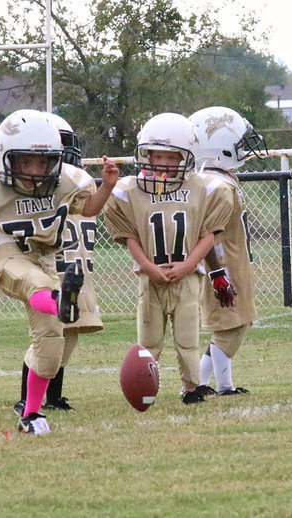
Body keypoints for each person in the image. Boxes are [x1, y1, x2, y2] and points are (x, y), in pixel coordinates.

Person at [0, 109, 119, 434]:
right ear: (7, 159)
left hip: (48, 255)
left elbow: (88, 209)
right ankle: (60, 299)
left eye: (43, 162)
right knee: (34, 284)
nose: (35, 170)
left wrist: (107, 186)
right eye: (26, 162)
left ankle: (30, 415)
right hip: (9, 252)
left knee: (50, 347)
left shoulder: (66, 182)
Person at [103, 112, 233, 404]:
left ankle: (192, 388)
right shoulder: (129, 190)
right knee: (148, 342)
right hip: (150, 280)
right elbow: (128, 236)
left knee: (188, 340)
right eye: (155, 156)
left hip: (187, 278)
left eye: (170, 157)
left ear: (186, 156)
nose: (161, 163)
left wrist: (188, 265)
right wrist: (147, 267)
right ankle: (144, 389)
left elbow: (208, 234)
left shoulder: (205, 188)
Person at [12, 112, 104, 416]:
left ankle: (54, 396)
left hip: (78, 272)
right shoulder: (33, 196)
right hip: (50, 274)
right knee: (47, 339)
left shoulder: (77, 186)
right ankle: (28, 398)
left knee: (71, 335)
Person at [188, 106, 266, 396]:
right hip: (222, 261)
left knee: (234, 323)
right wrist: (218, 272)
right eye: (238, 142)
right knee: (231, 325)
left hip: (227, 259)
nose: (245, 147)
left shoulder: (212, 179)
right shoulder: (218, 185)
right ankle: (212, 384)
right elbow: (209, 234)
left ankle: (210, 383)